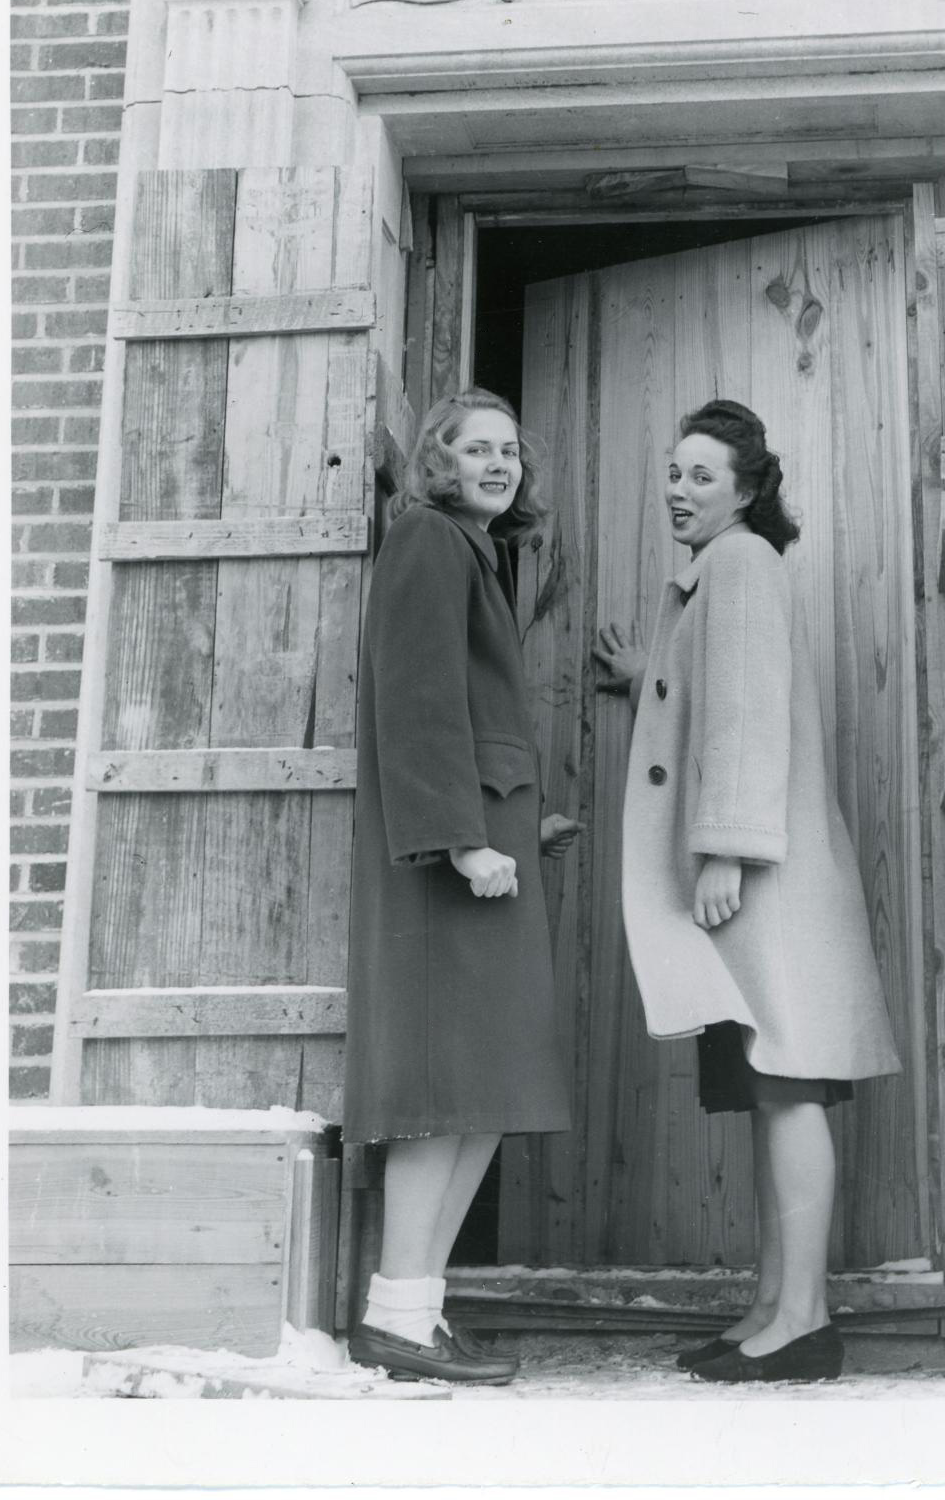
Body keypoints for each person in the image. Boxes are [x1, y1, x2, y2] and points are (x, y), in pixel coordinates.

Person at [595, 399, 901, 1385]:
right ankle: (773, 1304)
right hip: (758, 866)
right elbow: (711, 687)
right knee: (774, 1085)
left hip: (758, 867)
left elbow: (747, 713)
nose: (679, 490)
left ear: (748, 487)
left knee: (789, 1080)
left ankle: (804, 1318)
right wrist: (650, 675)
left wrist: (723, 848)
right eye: (672, 471)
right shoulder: (723, 573)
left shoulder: (738, 564)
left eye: (702, 475)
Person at [344, 388, 581, 1385]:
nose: (497, 463)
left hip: (487, 854)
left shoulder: (476, 552)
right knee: (447, 1089)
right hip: (451, 868)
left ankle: (417, 1309)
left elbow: (472, 718)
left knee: (487, 1088)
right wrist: (461, 841)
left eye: (508, 450)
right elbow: (418, 700)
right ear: (438, 463)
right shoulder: (430, 542)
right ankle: (396, 1311)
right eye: (473, 447)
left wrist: (520, 823)